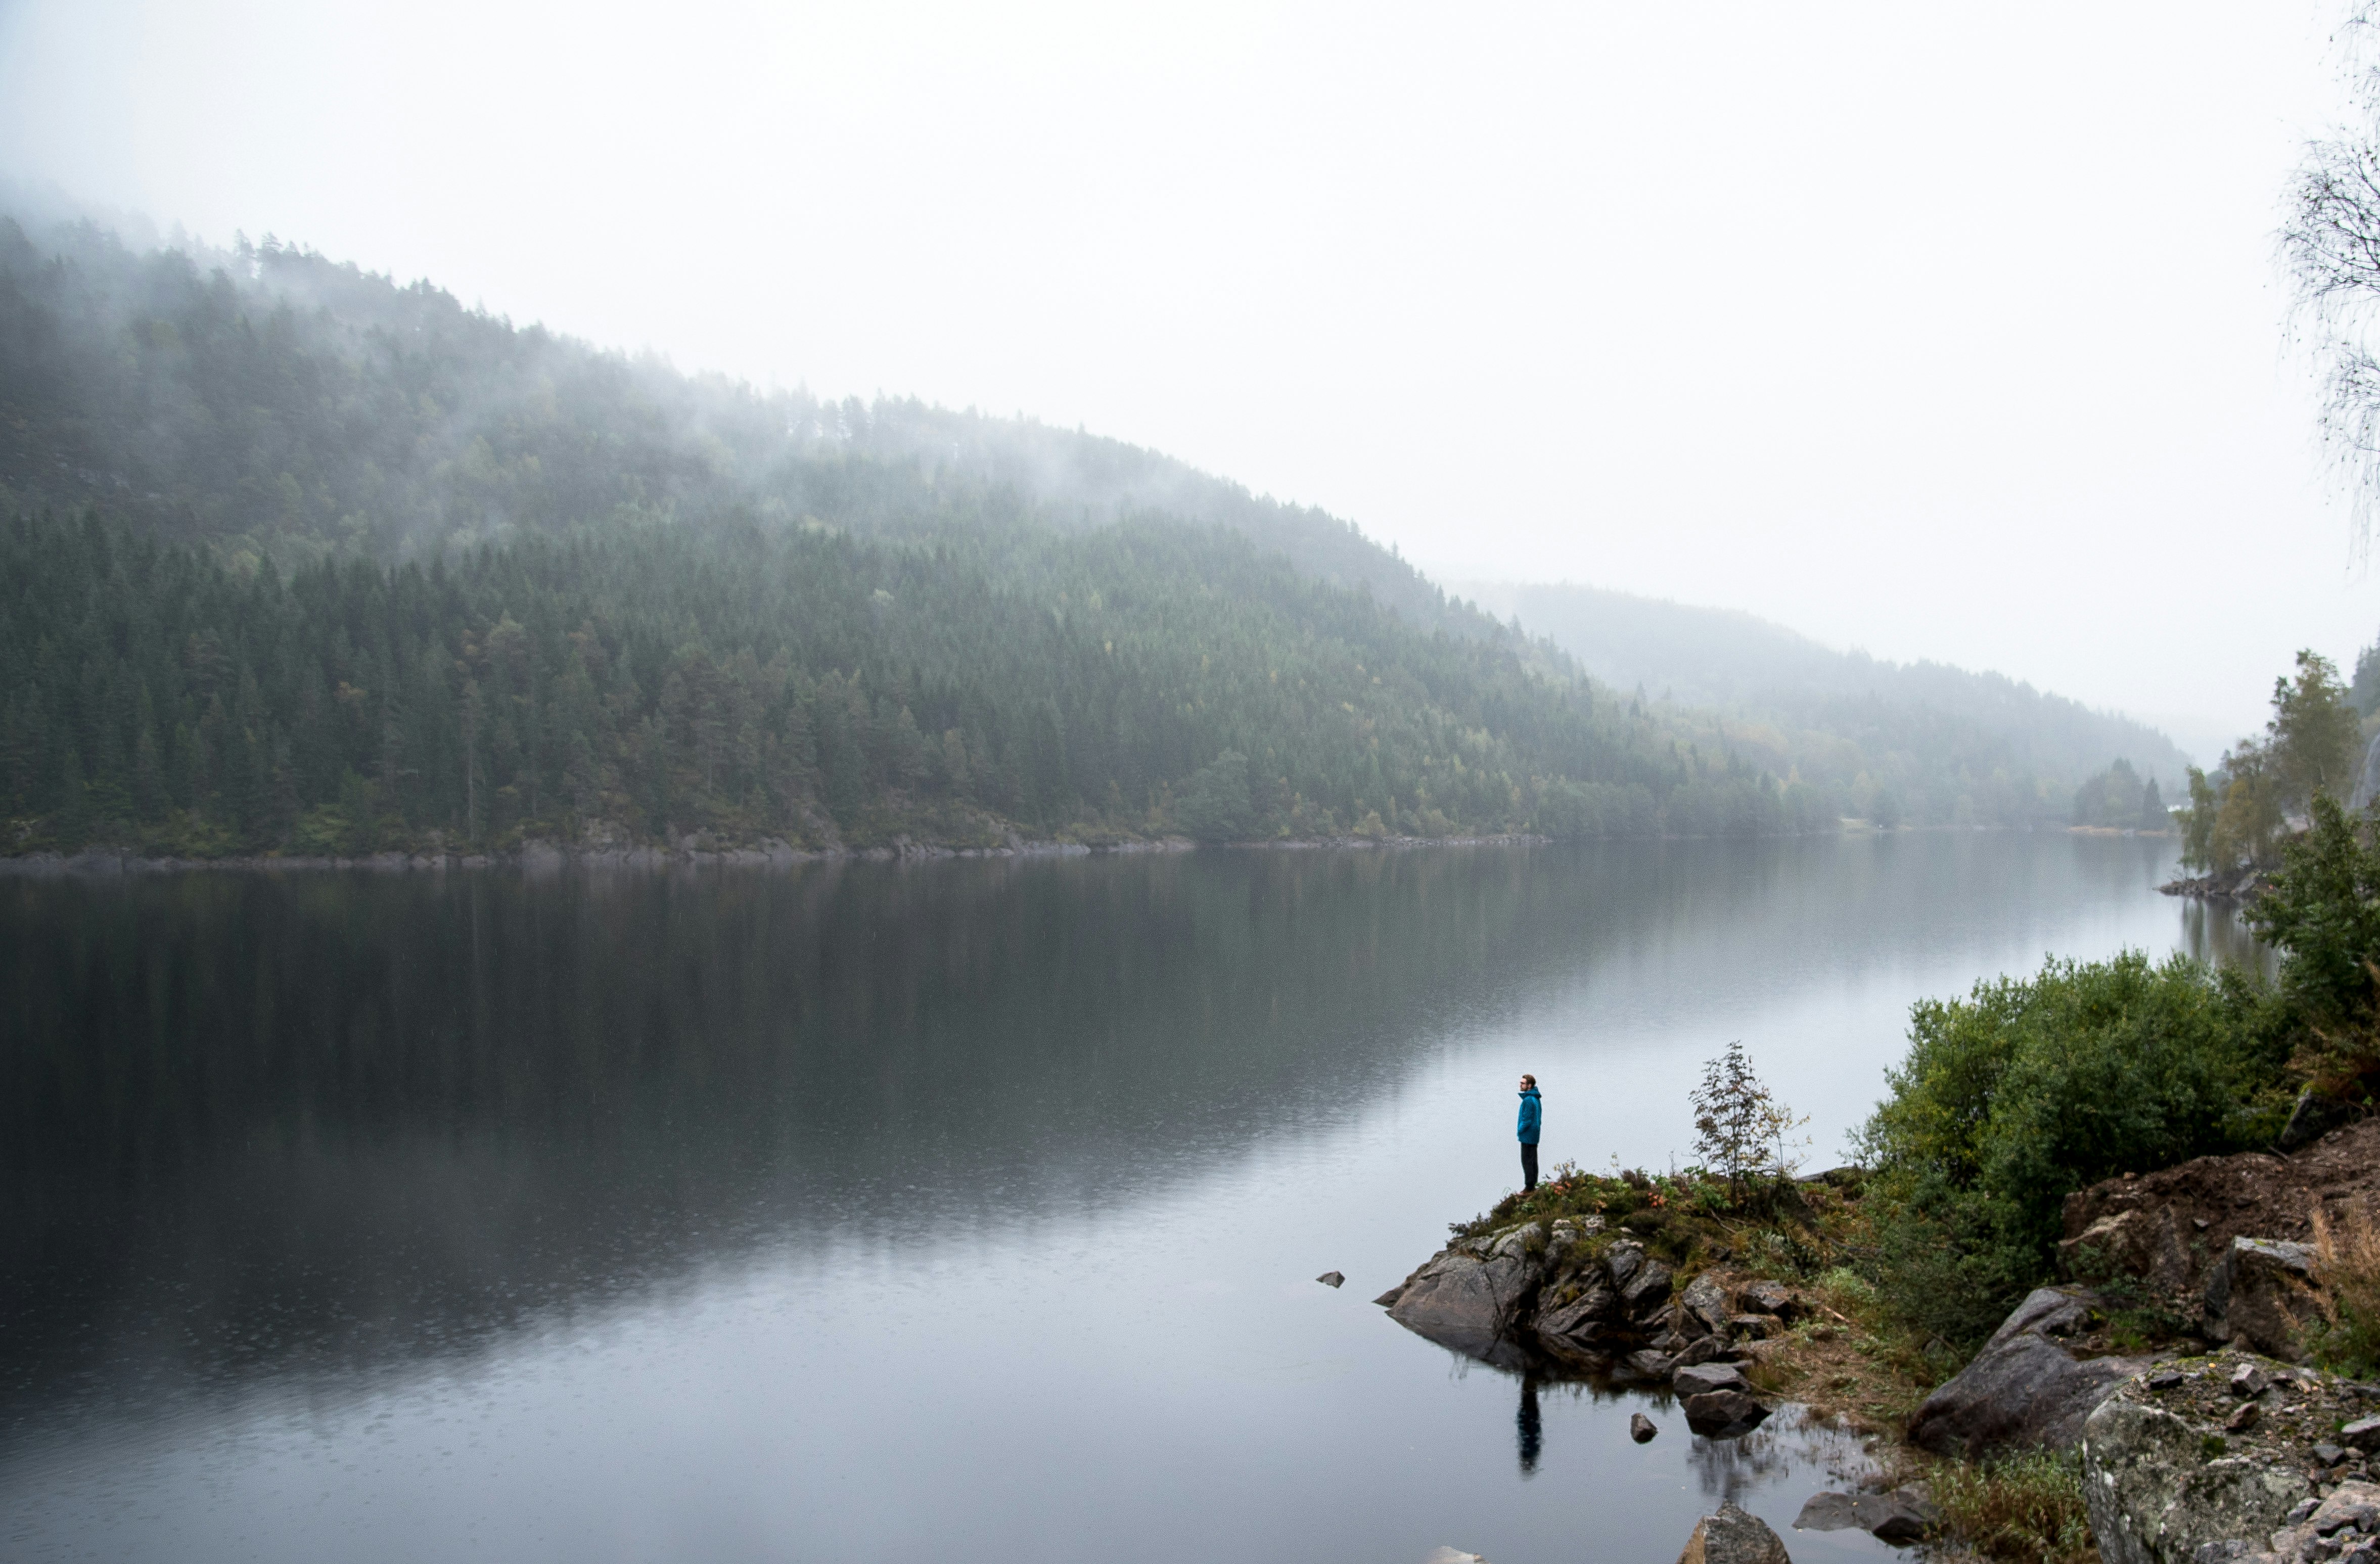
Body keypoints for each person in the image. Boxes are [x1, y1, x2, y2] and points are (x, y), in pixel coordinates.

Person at [1516, 1073, 1542, 1190]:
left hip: (1528, 1135)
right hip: (1534, 1135)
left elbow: (1526, 1119)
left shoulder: (1528, 1100)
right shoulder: (1535, 1099)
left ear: (1529, 1086)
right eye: (1520, 1083)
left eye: (1523, 1083)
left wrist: (1520, 1130)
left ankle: (1529, 1187)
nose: (1520, 1085)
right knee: (1533, 1160)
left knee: (1527, 1161)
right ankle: (1533, 1185)